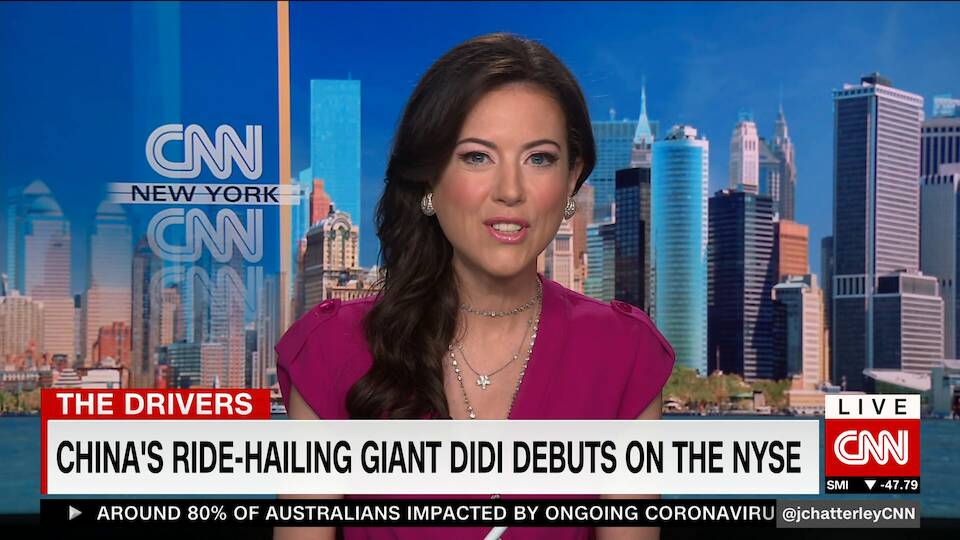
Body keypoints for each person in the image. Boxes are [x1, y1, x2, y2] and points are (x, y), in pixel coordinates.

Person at [274, 32, 676, 540]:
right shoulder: (332, 350)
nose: (510, 190)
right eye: (477, 157)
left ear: (572, 179)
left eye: (539, 158)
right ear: (428, 179)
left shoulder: (622, 353)